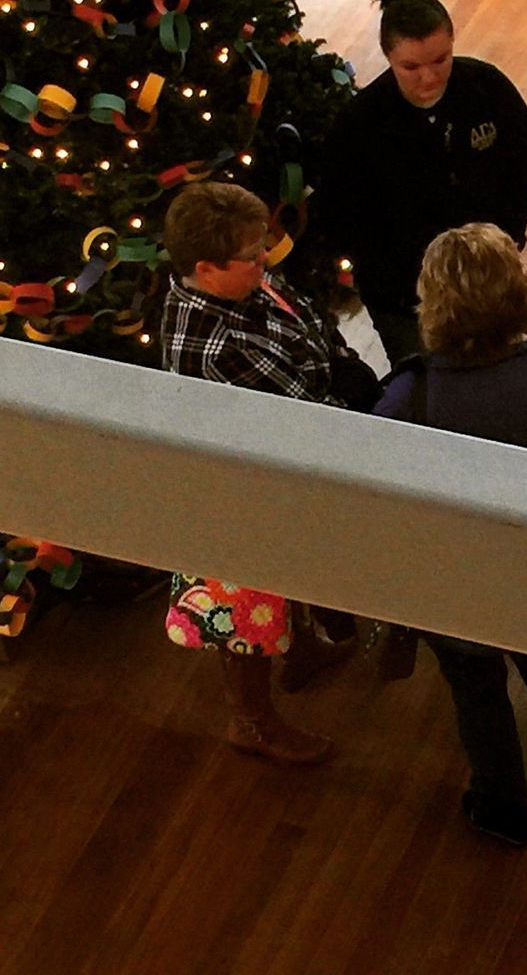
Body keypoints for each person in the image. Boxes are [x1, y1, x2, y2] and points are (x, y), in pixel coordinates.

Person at [375, 224, 527, 846]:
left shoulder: (409, 396)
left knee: (476, 694)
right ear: (517, 294)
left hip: (455, 584)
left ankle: (501, 808)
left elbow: (381, 493)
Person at [159, 181, 374, 765]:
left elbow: (307, 320)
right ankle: (251, 720)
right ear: (205, 268)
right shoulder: (217, 346)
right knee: (244, 608)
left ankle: (303, 648)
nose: (266, 265)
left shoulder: (245, 283)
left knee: (284, 577)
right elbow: (305, 411)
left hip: (282, 463)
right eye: (252, 259)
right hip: (242, 492)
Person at [325, 0, 527, 367]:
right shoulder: (360, 124)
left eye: (440, 60)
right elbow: (348, 215)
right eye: (410, 66)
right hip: (405, 301)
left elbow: (525, 156)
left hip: (489, 284)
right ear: (388, 57)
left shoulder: (488, 87)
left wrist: (510, 233)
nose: (428, 77)